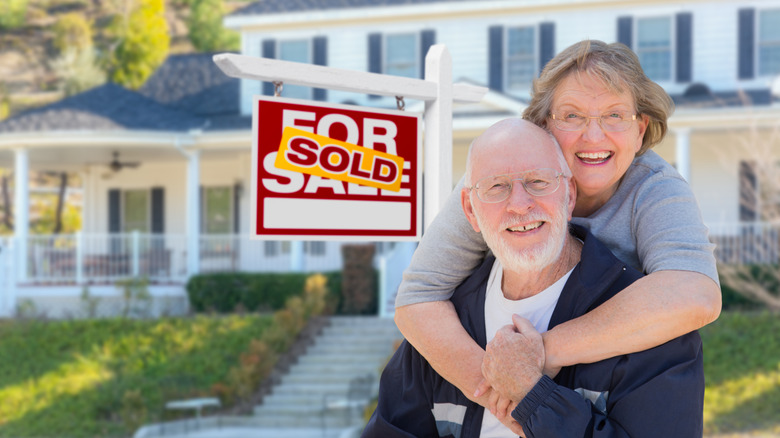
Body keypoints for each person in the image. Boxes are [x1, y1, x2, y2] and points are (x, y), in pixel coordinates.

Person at [393, 40, 720, 417]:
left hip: (614, 387)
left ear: (640, 130)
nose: (593, 136)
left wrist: (542, 353)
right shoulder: (495, 183)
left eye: (615, 115)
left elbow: (696, 293)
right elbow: (417, 297)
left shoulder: (655, 188)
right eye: (572, 116)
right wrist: (499, 392)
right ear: (543, 125)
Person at [362, 118, 704, 438]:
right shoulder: (443, 329)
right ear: (469, 210)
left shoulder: (651, 326)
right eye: (496, 187)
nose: (520, 204)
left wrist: (534, 397)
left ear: (569, 195)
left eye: (538, 182)